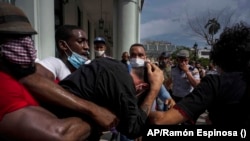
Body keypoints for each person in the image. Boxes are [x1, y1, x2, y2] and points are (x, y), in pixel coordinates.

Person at [0, 2, 92, 140]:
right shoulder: (3, 83)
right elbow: (60, 135)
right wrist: (96, 114)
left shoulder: (20, 75)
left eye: (28, 38)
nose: (27, 45)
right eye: (15, 38)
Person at [149, 23, 250, 126]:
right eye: (180, 59)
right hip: (176, 98)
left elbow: (197, 85)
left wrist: (154, 90)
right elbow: (171, 80)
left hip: (190, 100)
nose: (182, 62)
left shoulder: (208, 79)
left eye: (184, 59)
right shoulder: (173, 69)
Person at [58, 57, 164, 139]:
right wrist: (154, 90)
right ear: (143, 87)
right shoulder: (125, 86)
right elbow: (133, 129)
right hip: (59, 124)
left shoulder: (113, 65)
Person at [129, 43, 175, 111]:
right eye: (133, 55)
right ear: (129, 57)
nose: (136, 58)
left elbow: (161, 91)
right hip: (130, 112)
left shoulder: (151, 72)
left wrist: (169, 99)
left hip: (149, 114)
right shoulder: (123, 72)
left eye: (140, 55)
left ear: (145, 57)